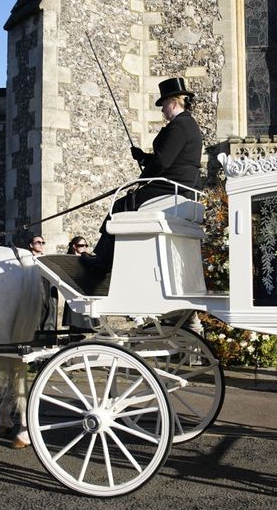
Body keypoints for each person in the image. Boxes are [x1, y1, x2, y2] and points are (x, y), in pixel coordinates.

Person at [84, 77, 204, 272]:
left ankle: (103, 260)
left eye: (163, 105)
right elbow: (168, 158)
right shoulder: (188, 124)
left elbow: (163, 162)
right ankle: (107, 256)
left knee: (121, 205)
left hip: (172, 184)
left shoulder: (179, 126)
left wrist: (141, 180)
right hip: (181, 182)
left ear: (173, 103)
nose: (162, 110)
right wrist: (143, 158)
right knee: (126, 203)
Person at [28, 235, 59, 331]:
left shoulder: (47, 260)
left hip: (48, 289)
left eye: (43, 242)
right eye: (38, 242)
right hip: (34, 289)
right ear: (31, 245)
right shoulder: (27, 259)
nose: (41, 245)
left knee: (50, 313)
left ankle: (48, 339)